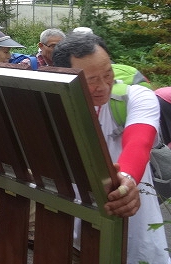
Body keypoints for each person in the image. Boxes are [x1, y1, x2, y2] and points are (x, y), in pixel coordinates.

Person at [52, 32, 170, 264]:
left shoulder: (136, 97)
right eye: (91, 80)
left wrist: (126, 181)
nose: (104, 86)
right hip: (77, 239)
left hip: (138, 243)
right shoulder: (54, 106)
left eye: (108, 74)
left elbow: (139, 142)